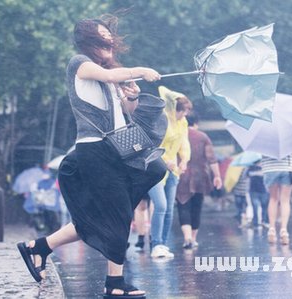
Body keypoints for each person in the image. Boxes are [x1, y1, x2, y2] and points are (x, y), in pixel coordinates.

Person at [17, 17, 167, 299]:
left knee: (152, 172)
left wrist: (132, 96)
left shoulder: (108, 75)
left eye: (110, 39)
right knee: (118, 214)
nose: (108, 44)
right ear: (89, 43)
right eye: (101, 39)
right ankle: (114, 283)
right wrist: (140, 70)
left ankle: (38, 247)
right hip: (94, 150)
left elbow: (126, 112)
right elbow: (111, 76)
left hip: (115, 149)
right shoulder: (80, 64)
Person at [149, 86, 192, 258]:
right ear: (175, 109)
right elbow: (153, 144)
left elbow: (184, 142)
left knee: (169, 210)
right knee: (160, 206)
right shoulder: (161, 120)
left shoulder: (182, 122)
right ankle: (156, 244)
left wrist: (185, 160)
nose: (185, 114)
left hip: (173, 171)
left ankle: (163, 244)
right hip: (157, 167)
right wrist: (166, 161)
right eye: (183, 111)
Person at [176, 113, 222, 249]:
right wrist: (217, 176)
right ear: (196, 123)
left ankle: (187, 237)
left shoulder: (179, 135)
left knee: (183, 206)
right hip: (200, 177)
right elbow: (212, 159)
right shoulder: (203, 137)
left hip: (181, 175)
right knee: (196, 207)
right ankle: (194, 239)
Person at [261, 155, 292, 245]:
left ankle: (272, 229)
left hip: (270, 168)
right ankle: (284, 230)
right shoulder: (290, 140)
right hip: (287, 168)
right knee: (285, 200)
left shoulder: (262, 140)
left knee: (273, 199)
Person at [247, 161, 269, 228]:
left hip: (260, 191)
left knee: (262, 207)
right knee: (258, 207)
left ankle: (260, 222)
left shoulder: (250, 169)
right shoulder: (251, 168)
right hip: (257, 191)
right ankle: (260, 222)